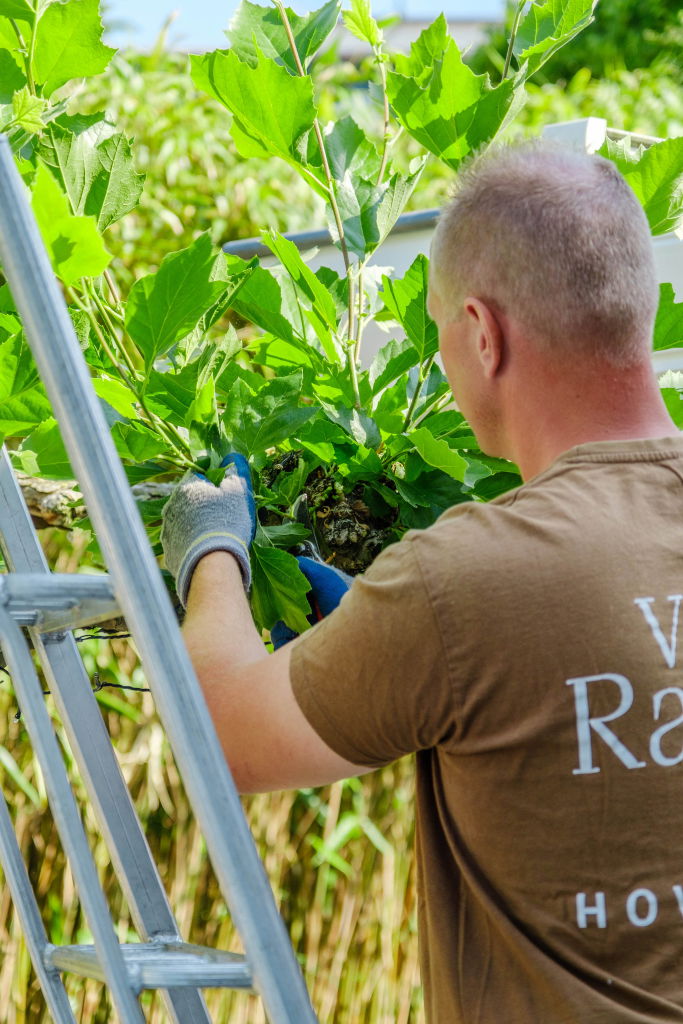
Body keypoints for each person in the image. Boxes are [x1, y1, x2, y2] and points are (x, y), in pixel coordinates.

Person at [160, 142, 683, 1023]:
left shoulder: (464, 579)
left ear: (482, 334)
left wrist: (209, 551)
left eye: (438, 328)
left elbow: (223, 739)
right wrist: (381, 642)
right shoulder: (465, 594)